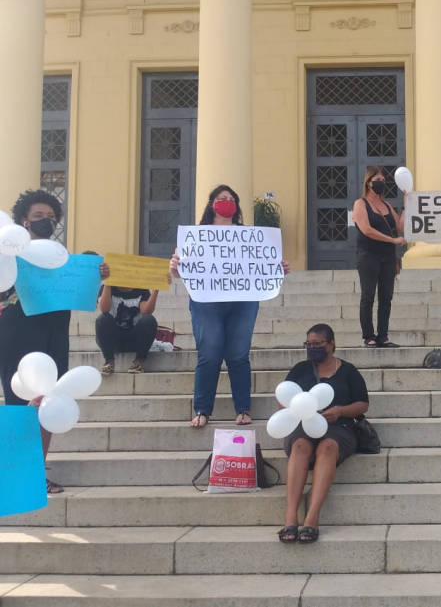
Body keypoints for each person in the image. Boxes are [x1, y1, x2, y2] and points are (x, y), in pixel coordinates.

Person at [0, 190, 110, 494]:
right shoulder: (7, 256)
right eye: (38, 217)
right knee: (20, 404)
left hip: (55, 333)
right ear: (24, 220)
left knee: (51, 399)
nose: (45, 222)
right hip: (17, 331)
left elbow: (80, 291)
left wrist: (97, 275)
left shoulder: (63, 259)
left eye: (50, 217)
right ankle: (15, 475)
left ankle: (36, 472)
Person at [170, 185, 290, 428]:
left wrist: (277, 268)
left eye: (231, 199)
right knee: (210, 354)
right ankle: (202, 410)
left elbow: (265, 264)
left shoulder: (250, 237)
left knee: (238, 355)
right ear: (212, 203)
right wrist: (175, 268)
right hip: (207, 303)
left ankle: (243, 409)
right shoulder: (196, 236)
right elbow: (182, 271)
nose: (227, 202)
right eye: (221, 198)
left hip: (243, 302)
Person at [278, 324, 369, 544]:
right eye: (308, 344)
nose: (312, 348)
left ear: (331, 344)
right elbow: (284, 399)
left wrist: (339, 411)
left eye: (318, 344)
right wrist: (298, 411)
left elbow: (363, 404)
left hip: (339, 426)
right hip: (304, 424)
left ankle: (312, 517)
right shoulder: (300, 369)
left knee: (327, 447)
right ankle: (290, 516)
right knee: (300, 446)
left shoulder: (348, 371)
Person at [352, 165, 406, 348]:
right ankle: (369, 336)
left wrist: (407, 205)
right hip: (368, 254)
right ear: (368, 183)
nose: (381, 183)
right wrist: (392, 241)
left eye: (383, 180)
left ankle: (383, 335)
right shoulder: (360, 204)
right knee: (368, 296)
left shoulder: (386, 205)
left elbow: (400, 226)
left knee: (386, 297)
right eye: (377, 180)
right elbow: (367, 230)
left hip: (388, 257)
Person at [96, 281, 165, 375]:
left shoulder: (142, 289)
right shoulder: (106, 287)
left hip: (135, 339)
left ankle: (139, 361)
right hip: (114, 339)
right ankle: (109, 362)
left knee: (149, 319)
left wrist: (156, 289)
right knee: (102, 319)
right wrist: (108, 283)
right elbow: (104, 309)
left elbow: (146, 311)